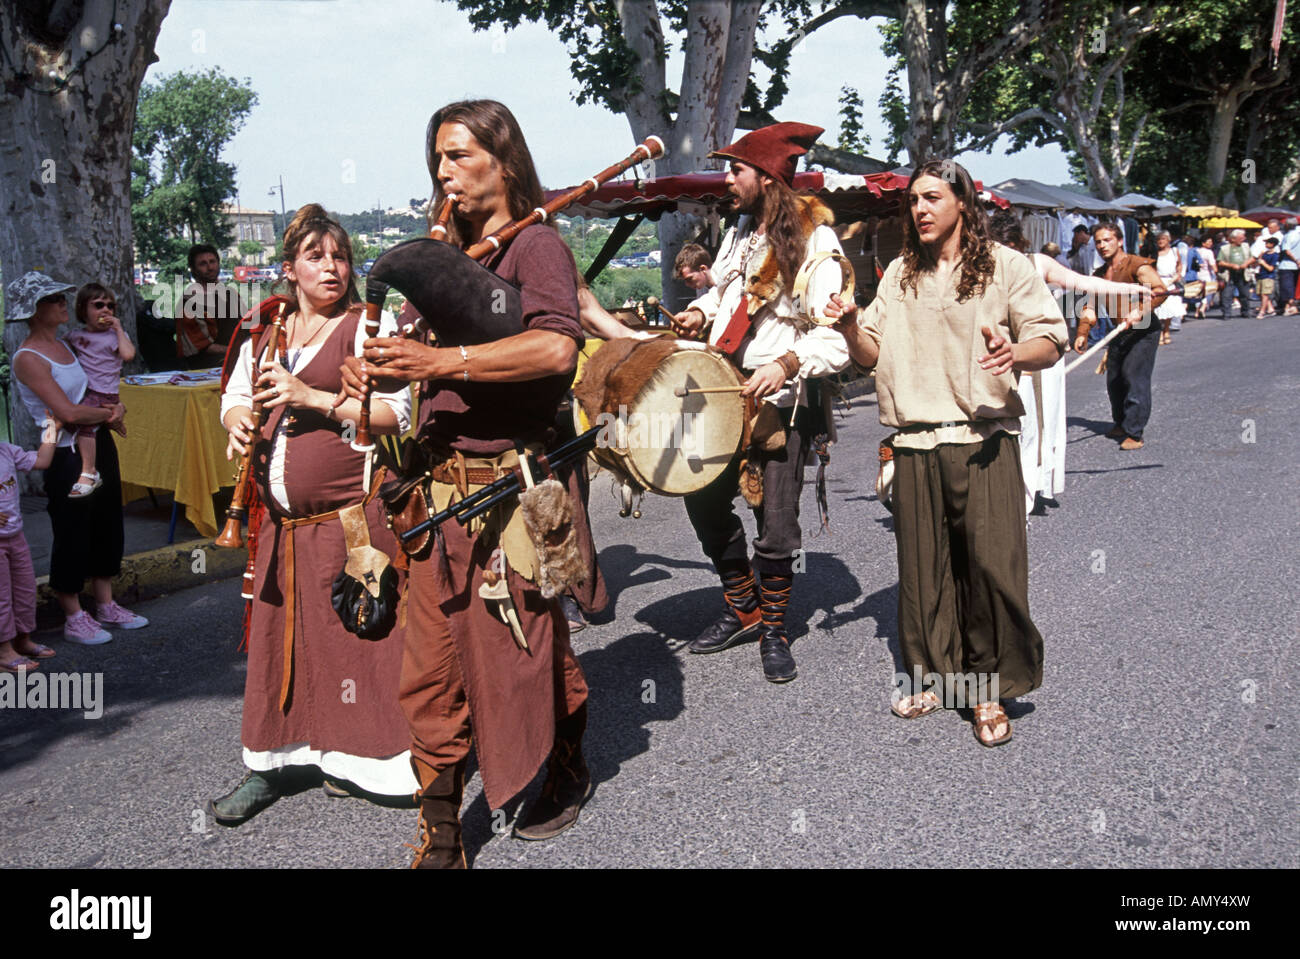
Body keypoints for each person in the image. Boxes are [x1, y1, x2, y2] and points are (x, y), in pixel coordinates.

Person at [340, 99, 592, 867]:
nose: (443, 173)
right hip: (434, 497)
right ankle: (443, 830)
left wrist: (441, 363)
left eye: (457, 155)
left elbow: (554, 350)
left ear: (504, 160)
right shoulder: (454, 256)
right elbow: (410, 374)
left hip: (508, 494)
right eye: (437, 161)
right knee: (432, 668)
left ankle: (565, 763)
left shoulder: (536, 247)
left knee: (527, 652)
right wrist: (375, 370)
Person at [829, 161, 1066, 747]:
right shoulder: (900, 274)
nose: (920, 209)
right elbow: (869, 354)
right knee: (924, 570)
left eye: (933, 198)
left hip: (982, 440)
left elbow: (1050, 339)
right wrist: (852, 325)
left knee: (989, 568)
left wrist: (1014, 353)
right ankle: (937, 677)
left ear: (962, 202)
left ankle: (986, 689)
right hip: (913, 442)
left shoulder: (1006, 266)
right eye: (913, 201)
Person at [209, 204, 416, 827]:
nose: (331, 267)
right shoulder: (265, 332)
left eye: (340, 256)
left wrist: (313, 398)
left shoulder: (363, 329)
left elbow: (397, 416)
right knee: (281, 644)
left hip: (350, 522)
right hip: (280, 528)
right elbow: (236, 397)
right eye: (315, 257)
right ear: (289, 268)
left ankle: (372, 764)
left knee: (362, 643)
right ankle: (275, 763)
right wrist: (235, 420)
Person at [671, 121, 850, 684]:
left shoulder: (817, 243)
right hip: (725, 387)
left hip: (783, 398)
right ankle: (743, 604)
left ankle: (774, 628)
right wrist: (701, 312)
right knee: (700, 495)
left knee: (776, 523)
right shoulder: (741, 231)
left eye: (737, 170)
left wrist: (786, 364)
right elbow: (725, 290)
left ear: (767, 178)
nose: (729, 180)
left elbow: (836, 337)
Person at [7, 272, 147, 644]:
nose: (61, 303)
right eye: (53, 299)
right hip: (66, 454)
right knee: (71, 531)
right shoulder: (28, 357)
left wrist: (108, 412)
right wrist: (110, 414)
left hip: (97, 441)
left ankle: (105, 603)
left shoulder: (70, 345)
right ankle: (72, 613)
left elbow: (100, 383)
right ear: (35, 310)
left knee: (106, 523)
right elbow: (66, 412)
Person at [988, 210, 1147, 513]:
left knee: (1044, 420)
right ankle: (1013, 487)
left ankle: (1037, 486)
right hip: (1005, 357)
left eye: (1010, 246)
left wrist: (1131, 290)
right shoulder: (983, 267)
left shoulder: (1036, 263)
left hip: (1041, 356)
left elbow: (1080, 282)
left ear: (1018, 243)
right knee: (1013, 425)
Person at [1073, 222, 1169, 451]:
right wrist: (1082, 333)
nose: (1102, 245)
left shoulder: (1137, 265)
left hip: (1144, 330)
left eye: (1107, 240)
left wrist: (1141, 310)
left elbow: (1159, 291)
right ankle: (1121, 422)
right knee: (1114, 380)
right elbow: (1089, 306)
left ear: (1119, 241)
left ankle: (1134, 432)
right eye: (1098, 241)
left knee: (1133, 376)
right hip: (1119, 331)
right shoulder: (1099, 275)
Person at [0, 415, 61, 672]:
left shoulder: (5, 450)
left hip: (16, 535)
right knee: (1, 596)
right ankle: (4, 651)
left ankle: (22, 639)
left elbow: (42, 460)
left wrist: (52, 428)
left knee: (24, 589)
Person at [63, 284, 135, 498]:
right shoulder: (75, 336)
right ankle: (113, 421)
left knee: (85, 426)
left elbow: (129, 355)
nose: (106, 310)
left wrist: (119, 329)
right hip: (87, 390)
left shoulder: (115, 337)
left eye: (110, 306)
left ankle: (89, 471)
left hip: (103, 392)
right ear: (83, 310)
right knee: (76, 423)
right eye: (98, 305)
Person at [177, 243, 242, 369]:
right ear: (194, 269)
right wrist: (237, 351)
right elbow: (201, 346)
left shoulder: (231, 294)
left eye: (212, 261)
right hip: (207, 364)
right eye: (203, 264)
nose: (210, 267)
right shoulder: (189, 301)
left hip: (236, 356)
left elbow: (246, 325)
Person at [1152, 231, 1186, 343]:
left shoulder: (1174, 252)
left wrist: (1174, 278)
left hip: (1170, 282)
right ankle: (1160, 331)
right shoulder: (1154, 253)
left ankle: (1166, 329)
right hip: (1158, 281)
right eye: (1159, 239)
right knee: (1159, 309)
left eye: (1163, 239)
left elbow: (1179, 267)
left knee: (1169, 309)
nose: (1160, 242)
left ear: (1168, 240)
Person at [1215, 229, 1254, 320]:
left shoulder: (1246, 246)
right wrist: (1231, 265)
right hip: (1229, 274)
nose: (1243, 239)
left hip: (1243, 273)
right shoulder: (1224, 249)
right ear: (1233, 239)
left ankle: (1245, 311)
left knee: (1244, 294)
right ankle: (1226, 313)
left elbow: (1252, 258)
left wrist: (1246, 264)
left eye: (1243, 237)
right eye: (1240, 238)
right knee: (1227, 295)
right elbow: (1220, 262)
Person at [1277, 217, 1300, 315]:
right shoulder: (1298, 235)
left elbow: (1287, 250)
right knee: (1293, 287)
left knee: (1286, 287)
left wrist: (1295, 260)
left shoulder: (1288, 236)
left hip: (1287, 264)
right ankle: (1287, 307)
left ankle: (1292, 306)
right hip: (1296, 265)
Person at [1255, 236, 1280, 317]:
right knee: (1259, 293)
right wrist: (1260, 256)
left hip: (1268, 276)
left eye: (1268, 243)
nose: (1266, 244)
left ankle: (1262, 311)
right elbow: (1257, 262)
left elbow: (1271, 268)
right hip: (1261, 275)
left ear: (1272, 244)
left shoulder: (1275, 255)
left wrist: (1263, 263)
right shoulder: (1264, 253)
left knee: (1264, 294)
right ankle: (1270, 308)